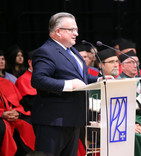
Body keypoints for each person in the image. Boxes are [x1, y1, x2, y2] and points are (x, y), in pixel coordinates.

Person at [31, 12, 101, 156]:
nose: (76, 33)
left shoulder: (71, 50)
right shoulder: (46, 51)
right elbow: (38, 80)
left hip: (73, 119)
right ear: (58, 31)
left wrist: (99, 80)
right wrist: (68, 85)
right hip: (54, 121)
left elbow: (81, 77)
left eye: (76, 30)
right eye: (71, 30)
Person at [0, 77, 35, 156]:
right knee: (3, 127)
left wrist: (17, 113)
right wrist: (2, 114)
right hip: (2, 119)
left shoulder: (6, 82)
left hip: (11, 117)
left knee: (28, 124)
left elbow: (19, 104)